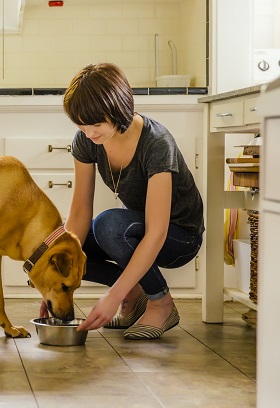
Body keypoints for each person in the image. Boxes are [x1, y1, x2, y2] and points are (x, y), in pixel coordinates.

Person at [48, 63, 204, 339]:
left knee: (108, 226)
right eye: (81, 126)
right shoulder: (87, 141)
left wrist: (111, 296)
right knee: (62, 248)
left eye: (95, 124)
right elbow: (80, 214)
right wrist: (56, 282)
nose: (89, 133)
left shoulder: (156, 142)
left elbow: (157, 232)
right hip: (134, 230)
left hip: (179, 237)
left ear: (118, 110)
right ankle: (134, 295)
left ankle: (161, 303)